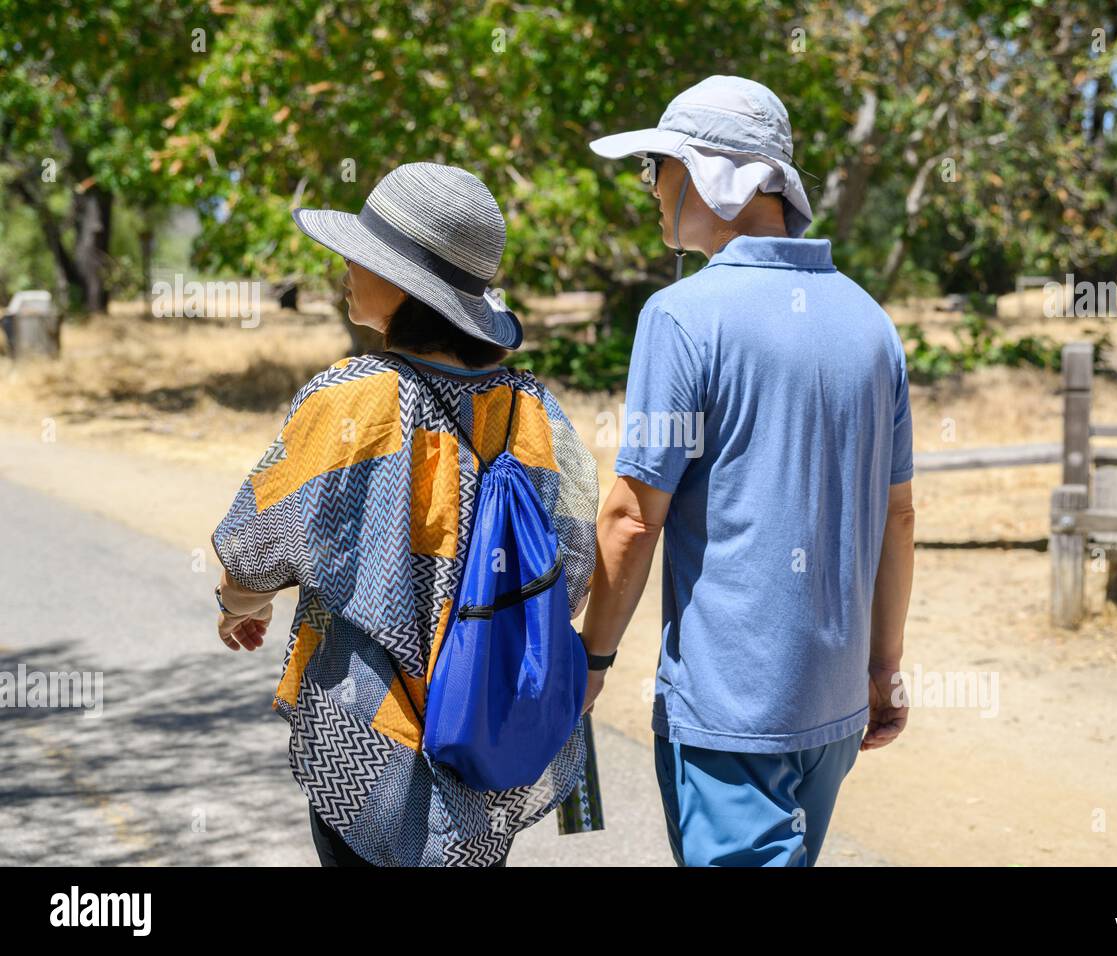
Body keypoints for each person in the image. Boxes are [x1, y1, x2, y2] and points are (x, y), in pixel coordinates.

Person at [211, 162, 600, 867]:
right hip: (491, 730)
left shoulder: (352, 399)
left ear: (403, 283)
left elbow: (252, 552)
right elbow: (572, 570)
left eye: (364, 254)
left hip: (369, 737)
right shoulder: (533, 410)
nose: (346, 267)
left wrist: (240, 604)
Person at [580, 76, 916, 866]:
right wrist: (882, 667)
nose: (650, 189)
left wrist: (588, 661)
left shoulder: (682, 316)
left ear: (704, 174)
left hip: (730, 712)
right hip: (833, 705)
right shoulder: (871, 322)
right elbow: (897, 516)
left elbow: (632, 516)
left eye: (655, 166)